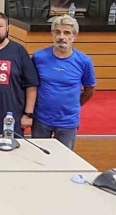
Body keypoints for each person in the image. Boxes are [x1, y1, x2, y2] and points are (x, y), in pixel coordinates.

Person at [30, 15, 96, 149]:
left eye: (67, 33)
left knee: (65, 159)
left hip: (68, 123)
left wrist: (73, 105)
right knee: (38, 158)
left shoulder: (84, 61)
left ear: (74, 36)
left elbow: (89, 89)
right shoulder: (38, 57)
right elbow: (30, 85)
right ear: (52, 34)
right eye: (57, 32)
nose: (61, 37)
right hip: (41, 120)